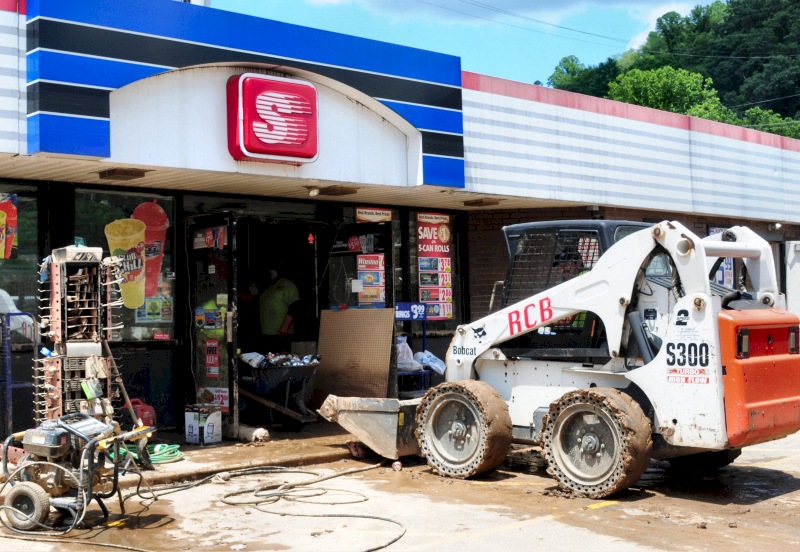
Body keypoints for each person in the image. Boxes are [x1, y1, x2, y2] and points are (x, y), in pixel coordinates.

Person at [259, 264, 301, 354]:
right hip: (267, 331)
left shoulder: (287, 285)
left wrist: (285, 326)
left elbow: (294, 306)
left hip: (281, 332)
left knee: (280, 358)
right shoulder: (268, 287)